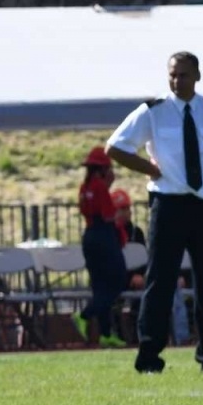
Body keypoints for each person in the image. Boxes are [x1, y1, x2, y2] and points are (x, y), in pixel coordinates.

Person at [106, 51, 203, 374]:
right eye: (172, 74)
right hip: (168, 204)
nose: (177, 80)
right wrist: (148, 167)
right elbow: (114, 147)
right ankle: (149, 357)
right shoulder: (153, 111)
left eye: (184, 75)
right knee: (159, 281)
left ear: (197, 76)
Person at [73, 147, 127, 347]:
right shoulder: (100, 187)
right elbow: (108, 215)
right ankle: (84, 315)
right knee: (118, 279)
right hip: (104, 236)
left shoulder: (84, 187)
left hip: (89, 236)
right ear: (102, 169)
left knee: (99, 286)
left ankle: (105, 333)